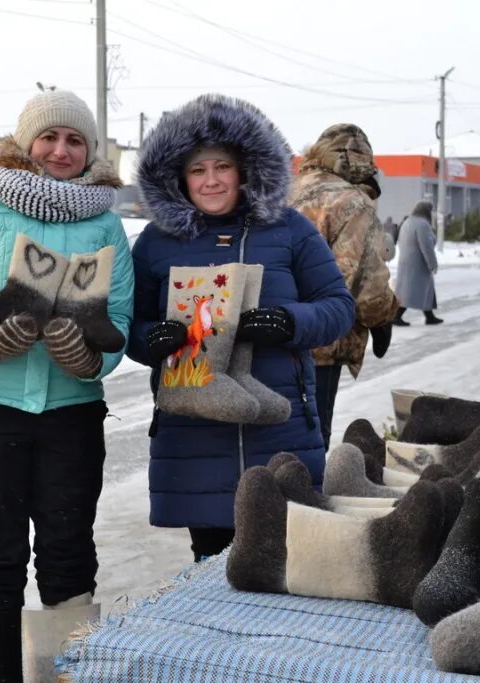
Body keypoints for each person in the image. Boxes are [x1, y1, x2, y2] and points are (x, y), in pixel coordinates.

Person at [0, 88, 132, 682]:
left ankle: (63, 675)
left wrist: (88, 361)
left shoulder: (107, 224)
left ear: (90, 151)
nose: (60, 150)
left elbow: (117, 316)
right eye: (49, 137)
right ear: (26, 143)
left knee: (69, 558)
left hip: (72, 418)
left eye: (74, 140)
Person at [129, 94, 355, 563]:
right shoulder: (155, 243)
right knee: (212, 566)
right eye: (198, 170)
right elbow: (129, 324)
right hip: (194, 432)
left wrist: (289, 323)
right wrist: (150, 339)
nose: (211, 180)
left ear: (246, 169)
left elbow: (338, 307)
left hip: (279, 424)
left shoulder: (290, 229)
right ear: (177, 177)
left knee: (283, 567)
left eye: (222, 167)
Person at [290, 123, 398, 447]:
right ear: (360, 161)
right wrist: (385, 317)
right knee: (309, 443)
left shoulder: (286, 190)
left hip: (269, 337)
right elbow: (365, 283)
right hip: (320, 341)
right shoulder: (351, 202)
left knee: (273, 442)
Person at [393, 201, 443, 326]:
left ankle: (429, 316)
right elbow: (426, 246)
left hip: (406, 262)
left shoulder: (407, 222)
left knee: (422, 290)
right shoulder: (423, 225)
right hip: (418, 264)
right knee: (413, 292)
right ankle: (396, 315)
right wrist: (432, 263)